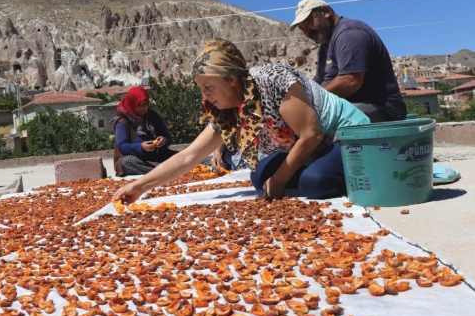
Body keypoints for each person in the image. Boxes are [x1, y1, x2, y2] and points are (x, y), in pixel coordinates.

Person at [113, 38, 370, 204]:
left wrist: (280, 179)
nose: (206, 97)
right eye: (201, 90)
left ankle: (357, 172)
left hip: (347, 137)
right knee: (259, 178)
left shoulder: (272, 80)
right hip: (313, 148)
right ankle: (310, 171)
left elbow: (312, 133)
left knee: (314, 183)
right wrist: (140, 186)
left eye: (209, 88)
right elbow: (188, 156)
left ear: (232, 79)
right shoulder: (228, 110)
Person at [290, 0, 406, 123]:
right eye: (302, 29)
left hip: (382, 108)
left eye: (308, 24)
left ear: (325, 12)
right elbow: (319, 81)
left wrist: (311, 99)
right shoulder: (325, 45)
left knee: (312, 123)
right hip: (352, 107)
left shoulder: (349, 33)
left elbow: (350, 81)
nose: (307, 33)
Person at [111, 86, 178, 176]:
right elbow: (122, 146)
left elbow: (168, 137)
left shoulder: (154, 116)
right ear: (132, 103)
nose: (143, 108)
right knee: (127, 162)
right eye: (139, 105)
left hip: (158, 156)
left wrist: (164, 141)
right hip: (138, 160)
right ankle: (169, 169)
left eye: (145, 105)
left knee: (186, 155)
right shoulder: (123, 121)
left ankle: (169, 168)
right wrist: (141, 147)